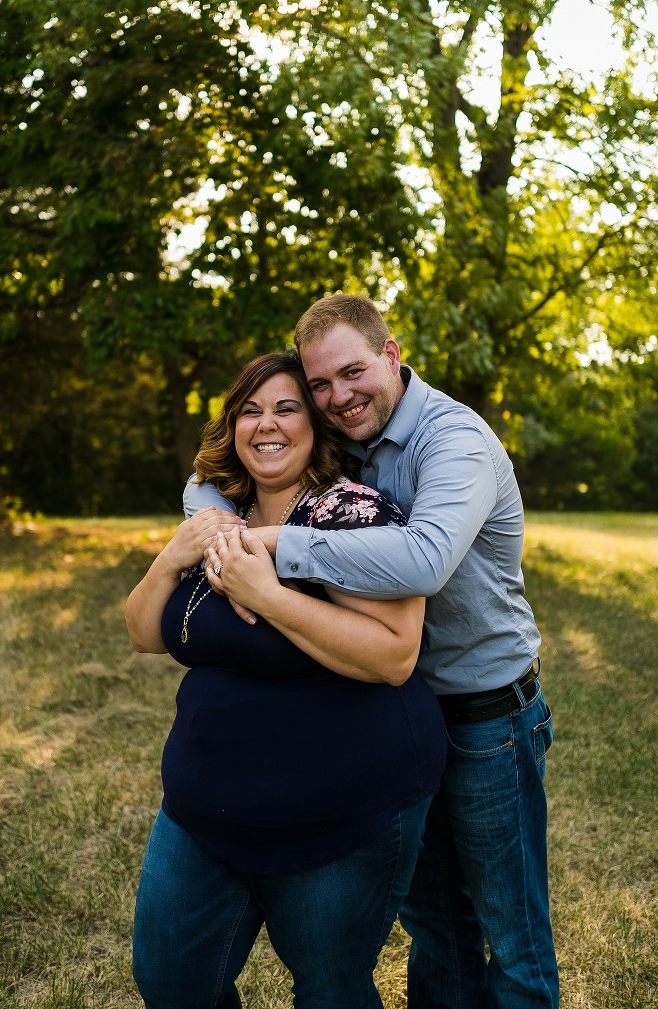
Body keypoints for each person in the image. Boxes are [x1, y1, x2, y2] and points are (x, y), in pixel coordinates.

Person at [186, 297, 559, 1009]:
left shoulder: (454, 440)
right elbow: (211, 476)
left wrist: (266, 546)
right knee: (438, 929)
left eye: (352, 373)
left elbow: (422, 561)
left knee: (513, 940)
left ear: (392, 353)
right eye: (320, 386)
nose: (337, 398)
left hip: (486, 717)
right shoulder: (347, 432)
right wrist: (216, 532)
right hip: (399, 717)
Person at [127, 352, 447, 1009]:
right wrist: (173, 556)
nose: (265, 425)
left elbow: (393, 656)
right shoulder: (221, 513)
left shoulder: (356, 514)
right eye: (249, 410)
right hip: (204, 800)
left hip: (339, 807)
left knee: (330, 990)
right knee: (170, 979)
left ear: (318, 424)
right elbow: (144, 632)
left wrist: (265, 594)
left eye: (285, 408)